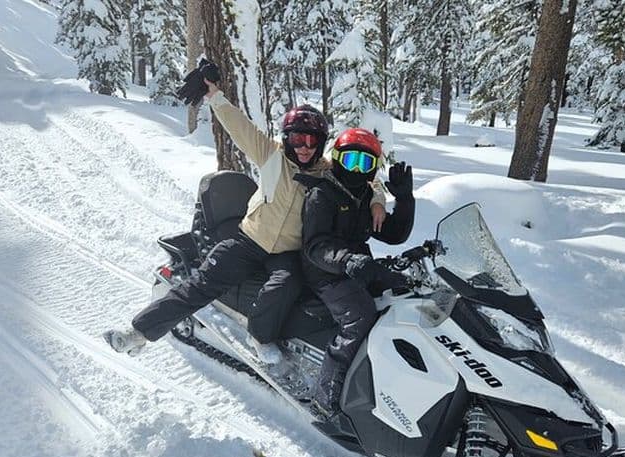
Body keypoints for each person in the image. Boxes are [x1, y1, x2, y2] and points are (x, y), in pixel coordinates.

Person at [103, 60, 388, 363]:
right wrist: (214, 95)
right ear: (286, 138)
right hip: (249, 240)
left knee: (285, 286)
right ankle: (138, 333)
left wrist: (377, 201)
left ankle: (259, 337)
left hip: (290, 252)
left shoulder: (327, 171)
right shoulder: (272, 156)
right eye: (296, 138)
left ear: (320, 144)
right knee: (202, 283)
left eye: (311, 141)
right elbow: (239, 126)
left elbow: (365, 179)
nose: (304, 147)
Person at [295, 128, 415, 418]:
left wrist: (405, 199)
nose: (357, 170)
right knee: (360, 316)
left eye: (365, 163)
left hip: (356, 266)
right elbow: (315, 245)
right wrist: (347, 260)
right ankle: (326, 395)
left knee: (403, 299)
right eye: (351, 161)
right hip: (325, 271)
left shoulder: (364, 196)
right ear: (337, 160)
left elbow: (395, 234)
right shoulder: (322, 194)